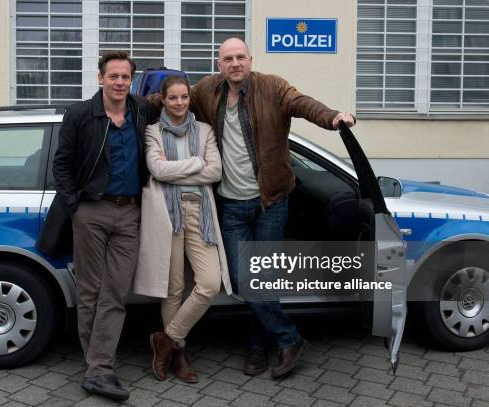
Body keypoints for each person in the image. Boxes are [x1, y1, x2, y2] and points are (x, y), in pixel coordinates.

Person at [188, 38, 356, 380]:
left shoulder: (273, 87)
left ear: (251, 60)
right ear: (218, 64)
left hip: (271, 203)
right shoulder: (205, 91)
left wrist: (333, 117)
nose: (235, 63)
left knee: (262, 278)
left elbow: (304, 104)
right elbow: (171, 101)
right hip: (231, 206)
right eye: (227, 59)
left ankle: (257, 347)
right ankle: (289, 338)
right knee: (242, 279)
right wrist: (127, 102)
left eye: (240, 57)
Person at [44, 51, 158, 401]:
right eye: (113, 76)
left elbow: (179, 98)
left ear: (132, 81)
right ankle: (101, 369)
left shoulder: (141, 110)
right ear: (100, 78)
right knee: (90, 291)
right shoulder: (80, 113)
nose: (119, 83)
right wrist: (76, 206)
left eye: (125, 77)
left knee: (115, 292)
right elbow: (61, 165)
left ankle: (96, 367)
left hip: (130, 214)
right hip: (91, 210)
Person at [133, 76, 232, 383]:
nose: (178, 103)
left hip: (199, 213)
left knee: (209, 283)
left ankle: (167, 338)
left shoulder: (204, 130)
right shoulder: (152, 132)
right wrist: (196, 163)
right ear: (162, 99)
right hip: (167, 214)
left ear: (190, 98)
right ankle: (179, 355)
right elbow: (157, 169)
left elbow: (215, 171)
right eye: (172, 98)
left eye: (183, 97)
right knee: (173, 287)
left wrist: (175, 171)